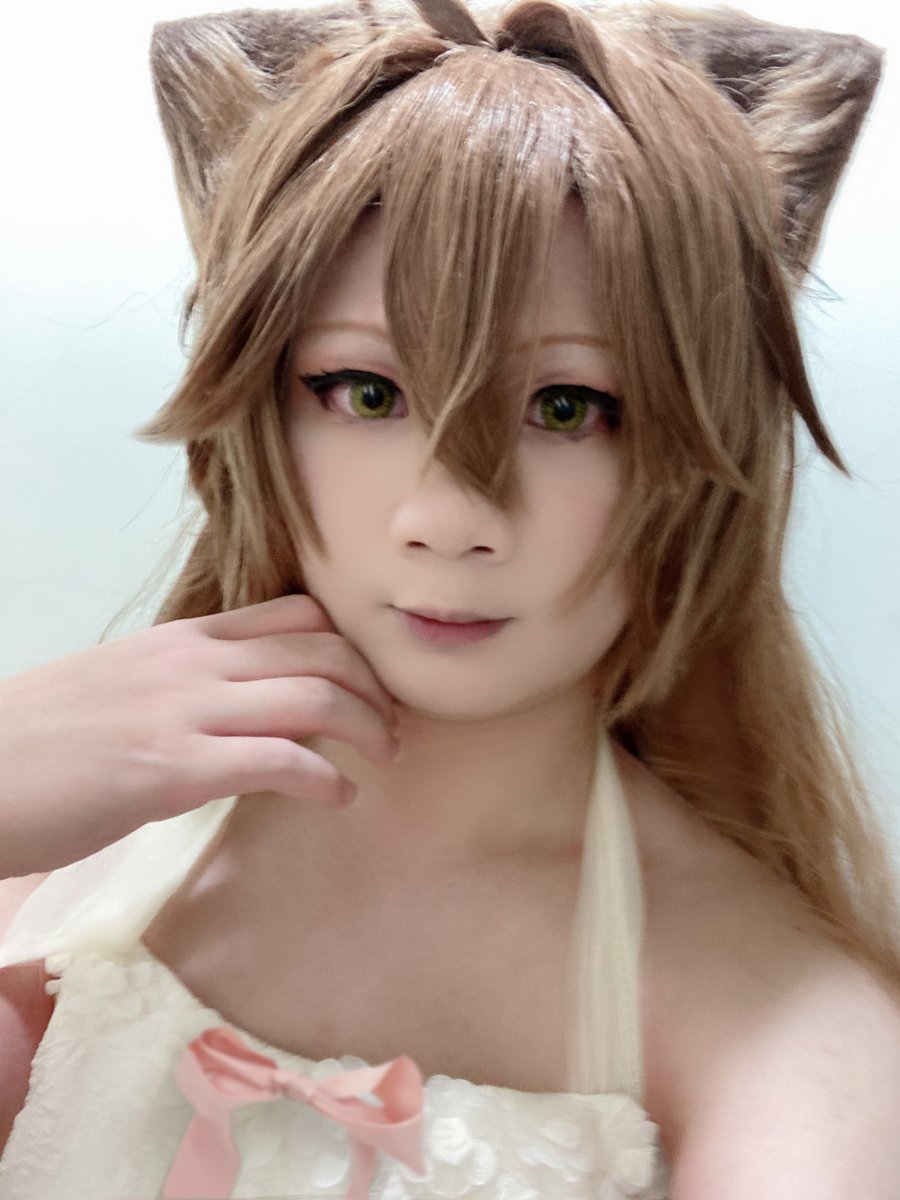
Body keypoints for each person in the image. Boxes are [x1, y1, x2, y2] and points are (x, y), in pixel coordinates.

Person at [1, 0, 898, 1195]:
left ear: (699, 458)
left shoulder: (779, 1034)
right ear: (258, 408)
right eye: (366, 392)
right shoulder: (76, 855)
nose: (451, 516)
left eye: (569, 408)